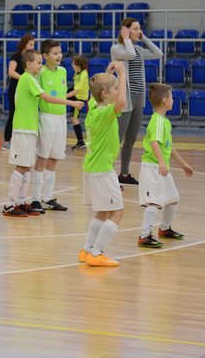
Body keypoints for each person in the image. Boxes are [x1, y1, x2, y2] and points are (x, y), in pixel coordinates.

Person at [3, 49, 83, 217]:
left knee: (26, 166)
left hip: (30, 127)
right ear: (28, 64)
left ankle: (21, 202)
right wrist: (71, 103)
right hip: (23, 127)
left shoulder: (31, 79)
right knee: (21, 166)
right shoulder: (27, 78)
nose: (41, 66)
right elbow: (46, 97)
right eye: (38, 63)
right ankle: (9, 204)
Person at [78, 61, 127, 267]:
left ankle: (87, 250)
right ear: (106, 94)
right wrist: (122, 74)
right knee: (117, 212)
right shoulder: (105, 114)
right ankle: (97, 252)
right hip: (102, 170)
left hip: (93, 168)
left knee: (103, 212)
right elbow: (122, 103)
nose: (118, 91)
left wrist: (107, 74)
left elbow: (97, 92)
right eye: (115, 88)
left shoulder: (93, 108)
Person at [137, 83, 194, 248]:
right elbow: (154, 142)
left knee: (173, 199)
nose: (173, 100)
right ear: (165, 101)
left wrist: (183, 164)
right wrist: (161, 162)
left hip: (161, 167)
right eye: (171, 97)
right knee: (154, 202)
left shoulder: (164, 121)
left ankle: (164, 229)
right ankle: (144, 236)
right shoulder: (157, 120)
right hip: (153, 166)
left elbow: (168, 147)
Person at [111, 17, 163, 185]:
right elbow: (130, 54)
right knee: (117, 138)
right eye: (135, 29)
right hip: (124, 98)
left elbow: (159, 54)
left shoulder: (139, 49)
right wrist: (126, 39)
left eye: (140, 28)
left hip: (139, 97)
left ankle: (124, 174)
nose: (139, 31)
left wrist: (144, 38)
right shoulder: (117, 48)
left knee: (131, 138)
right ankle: (107, 174)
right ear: (125, 30)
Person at [30, 40, 71, 213]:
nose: (59, 56)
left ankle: (47, 198)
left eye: (60, 52)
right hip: (46, 117)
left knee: (54, 158)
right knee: (42, 157)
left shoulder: (63, 71)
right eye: (55, 53)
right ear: (45, 56)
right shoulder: (40, 72)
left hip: (61, 118)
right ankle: (35, 199)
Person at [3, 34, 35, 148]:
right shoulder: (16, 56)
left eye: (33, 45)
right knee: (13, 113)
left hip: (26, 89)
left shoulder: (31, 58)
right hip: (15, 88)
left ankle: (20, 140)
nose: (32, 47)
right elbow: (11, 72)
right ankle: (7, 140)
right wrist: (24, 78)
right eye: (30, 44)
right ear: (24, 44)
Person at [68, 55, 89, 150]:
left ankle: (80, 142)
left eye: (73, 64)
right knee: (73, 118)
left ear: (79, 65)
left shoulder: (83, 75)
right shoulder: (77, 72)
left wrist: (62, 97)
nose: (72, 65)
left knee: (74, 118)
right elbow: (74, 87)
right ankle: (80, 142)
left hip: (79, 99)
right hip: (75, 96)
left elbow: (76, 90)